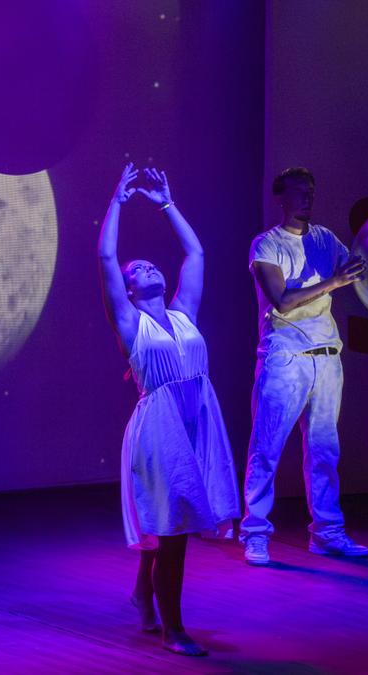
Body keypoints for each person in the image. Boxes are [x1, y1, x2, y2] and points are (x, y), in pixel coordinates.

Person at [97, 163, 240, 656]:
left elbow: (196, 253)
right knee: (174, 532)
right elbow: (106, 255)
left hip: (199, 420)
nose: (149, 268)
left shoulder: (183, 314)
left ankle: (144, 593)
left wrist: (166, 204)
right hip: (160, 428)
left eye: (151, 265)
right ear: (129, 290)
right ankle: (173, 630)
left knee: (173, 520)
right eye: (138, 270)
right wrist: (117, 201)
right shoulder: (130, 324)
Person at [240, 167, 368, 566]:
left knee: (324, 450)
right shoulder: (267, 244)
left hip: (326, 357)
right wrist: (332, 282)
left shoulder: (325, 239)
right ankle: (255, 532)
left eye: (311, 191)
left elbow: (358, 271)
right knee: (267, 447)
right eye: (299, 192)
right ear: (281, 198)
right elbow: (282, 301)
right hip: (285, 357)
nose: (307, 198)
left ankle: (327, 532)